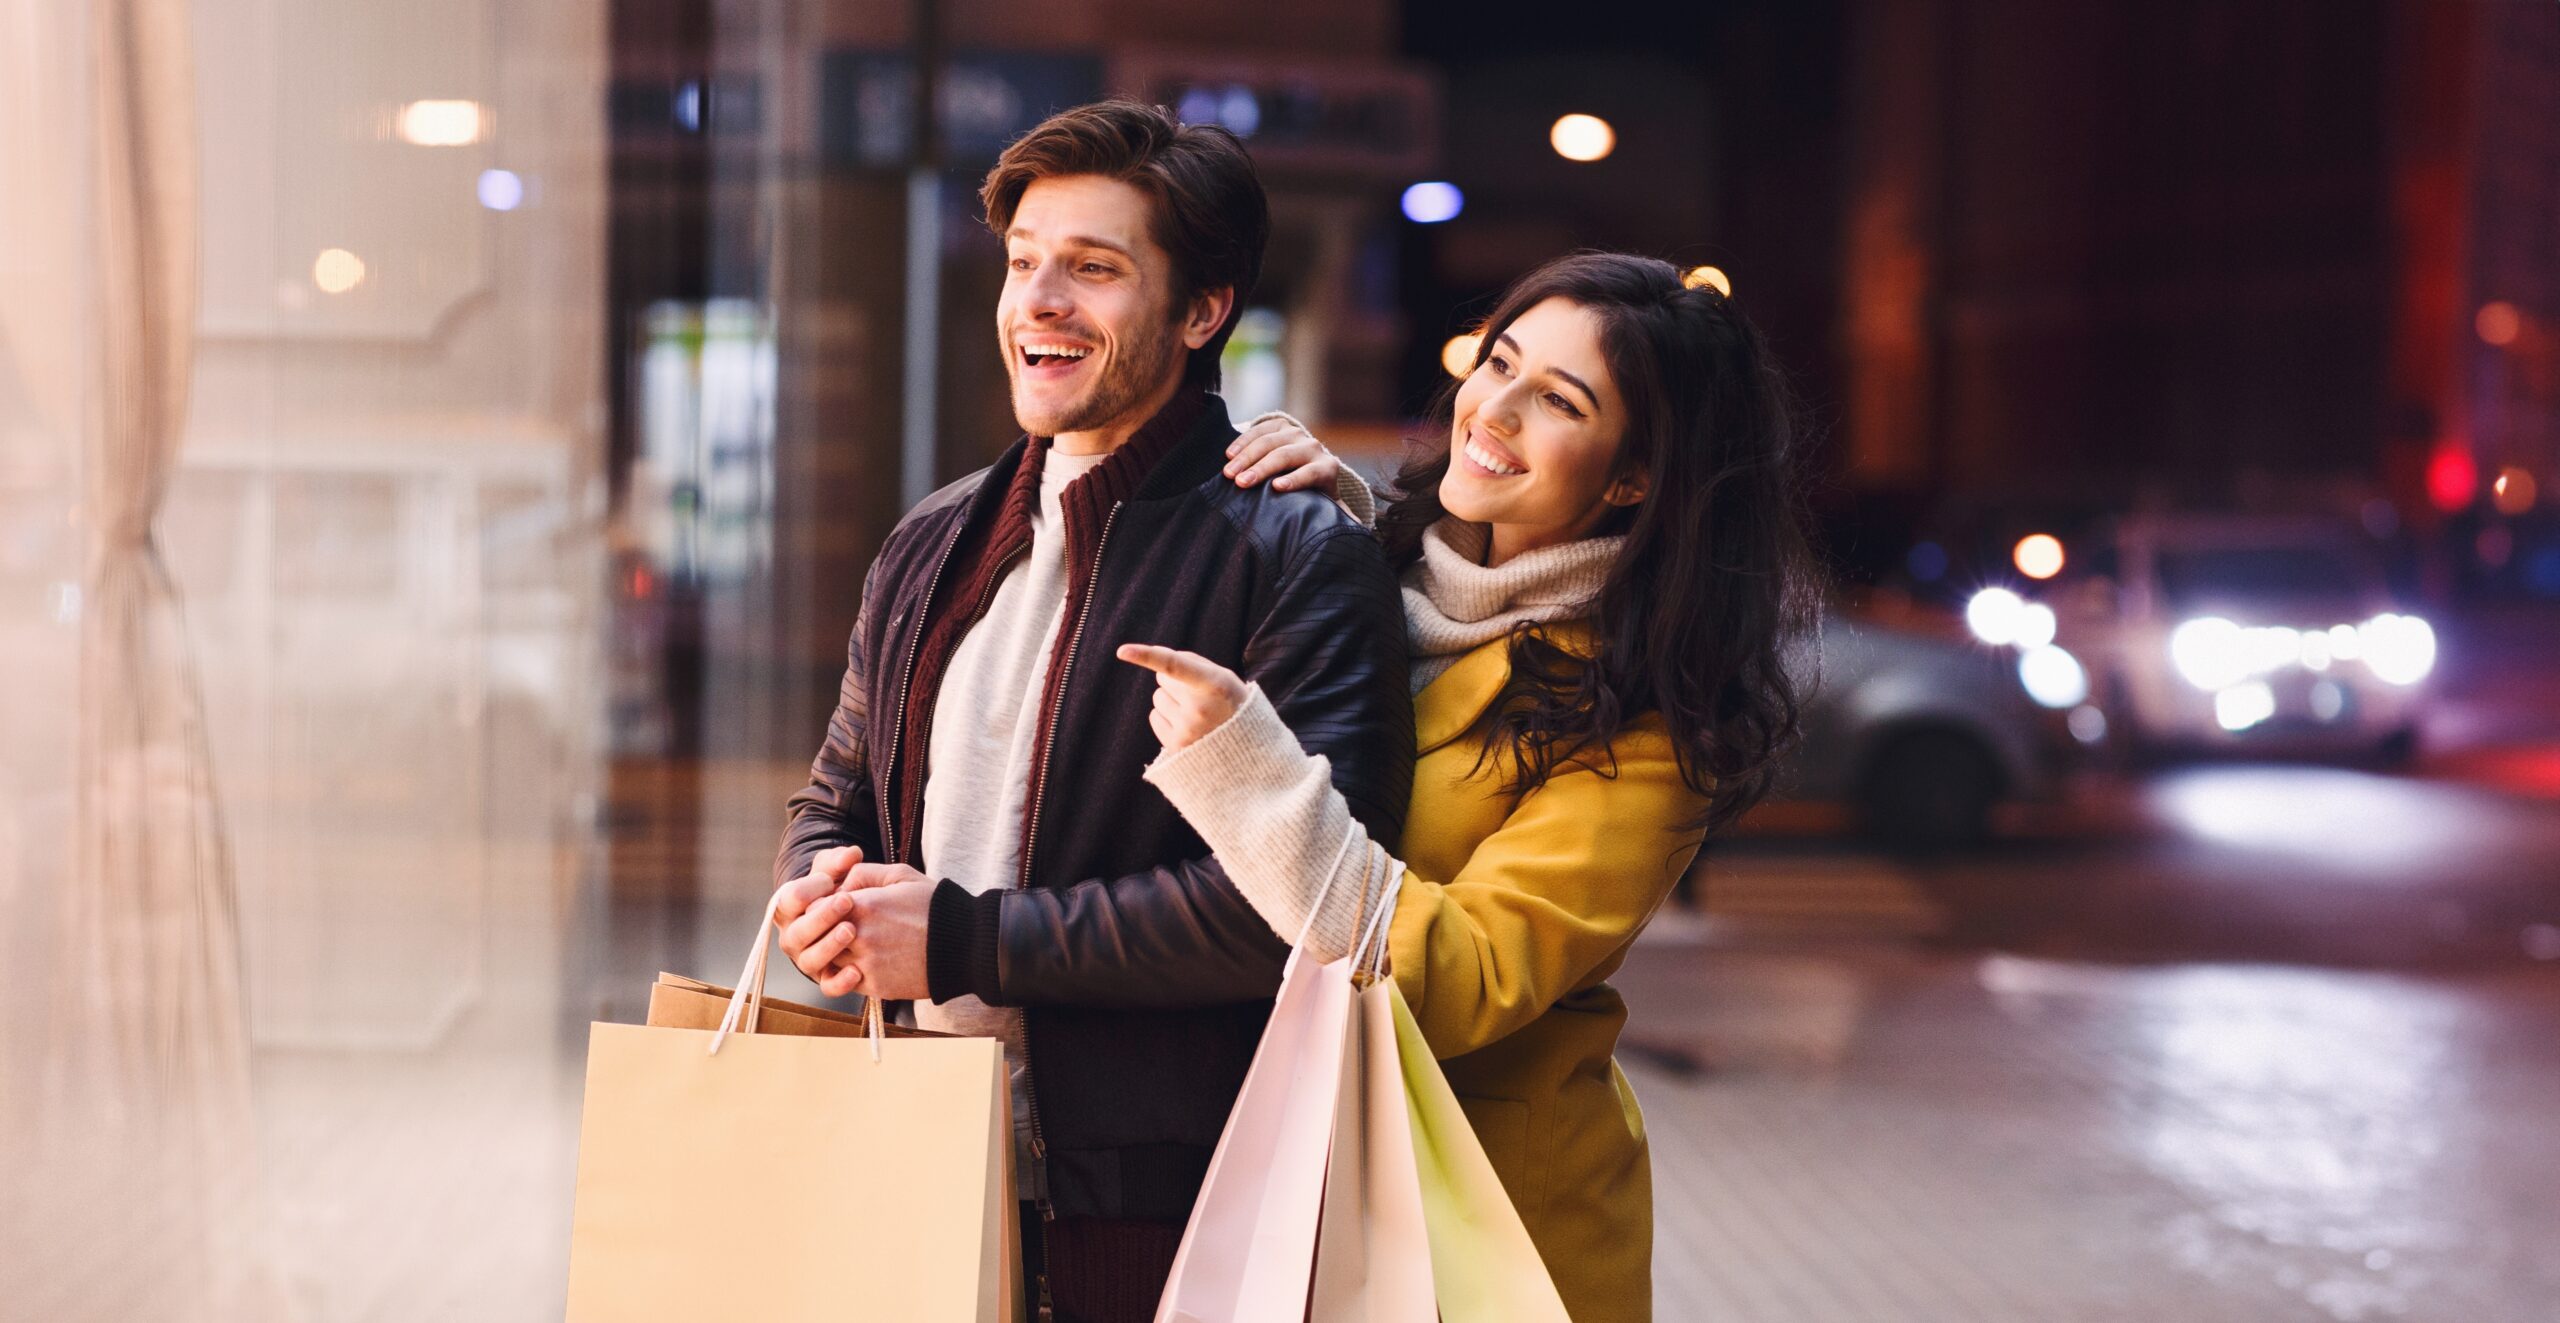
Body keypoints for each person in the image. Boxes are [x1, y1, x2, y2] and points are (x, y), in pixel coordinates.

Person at [766, 100, 1412, 1323]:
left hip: (1162, 1202)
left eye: (1095, 269)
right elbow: (835, 791)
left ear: (1202, 309)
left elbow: (1304, 920)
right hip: (908, 1153)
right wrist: (820, 889)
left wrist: (959, 941)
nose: (1040, 301)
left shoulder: (1295, 554)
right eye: (1023, 264)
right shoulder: (932, 538)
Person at [1120, 251, 1817, 1322]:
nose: (1494, 409)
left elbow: (1461, 978)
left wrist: (1246, 776)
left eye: (1559, 401)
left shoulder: (1645, 730)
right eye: (1499, 362)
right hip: (1285, 1174)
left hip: (1475, 1225)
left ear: (1632, 476)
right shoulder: (1389, 574)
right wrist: (1321, 547)